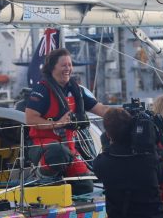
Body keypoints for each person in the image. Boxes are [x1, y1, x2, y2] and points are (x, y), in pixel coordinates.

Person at [24, 48, 109, 189]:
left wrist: (126, 113)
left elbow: (101, 109)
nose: (68, 68)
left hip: (68, 148)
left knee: (85, 186)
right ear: (52, 67)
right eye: (64, 65)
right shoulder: (42, 90)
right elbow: (30, 118)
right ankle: (41, 176)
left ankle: (68, 199)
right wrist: (58, 124)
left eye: (70, 65)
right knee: (59, 152)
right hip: (43, 146)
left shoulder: (77, 91)